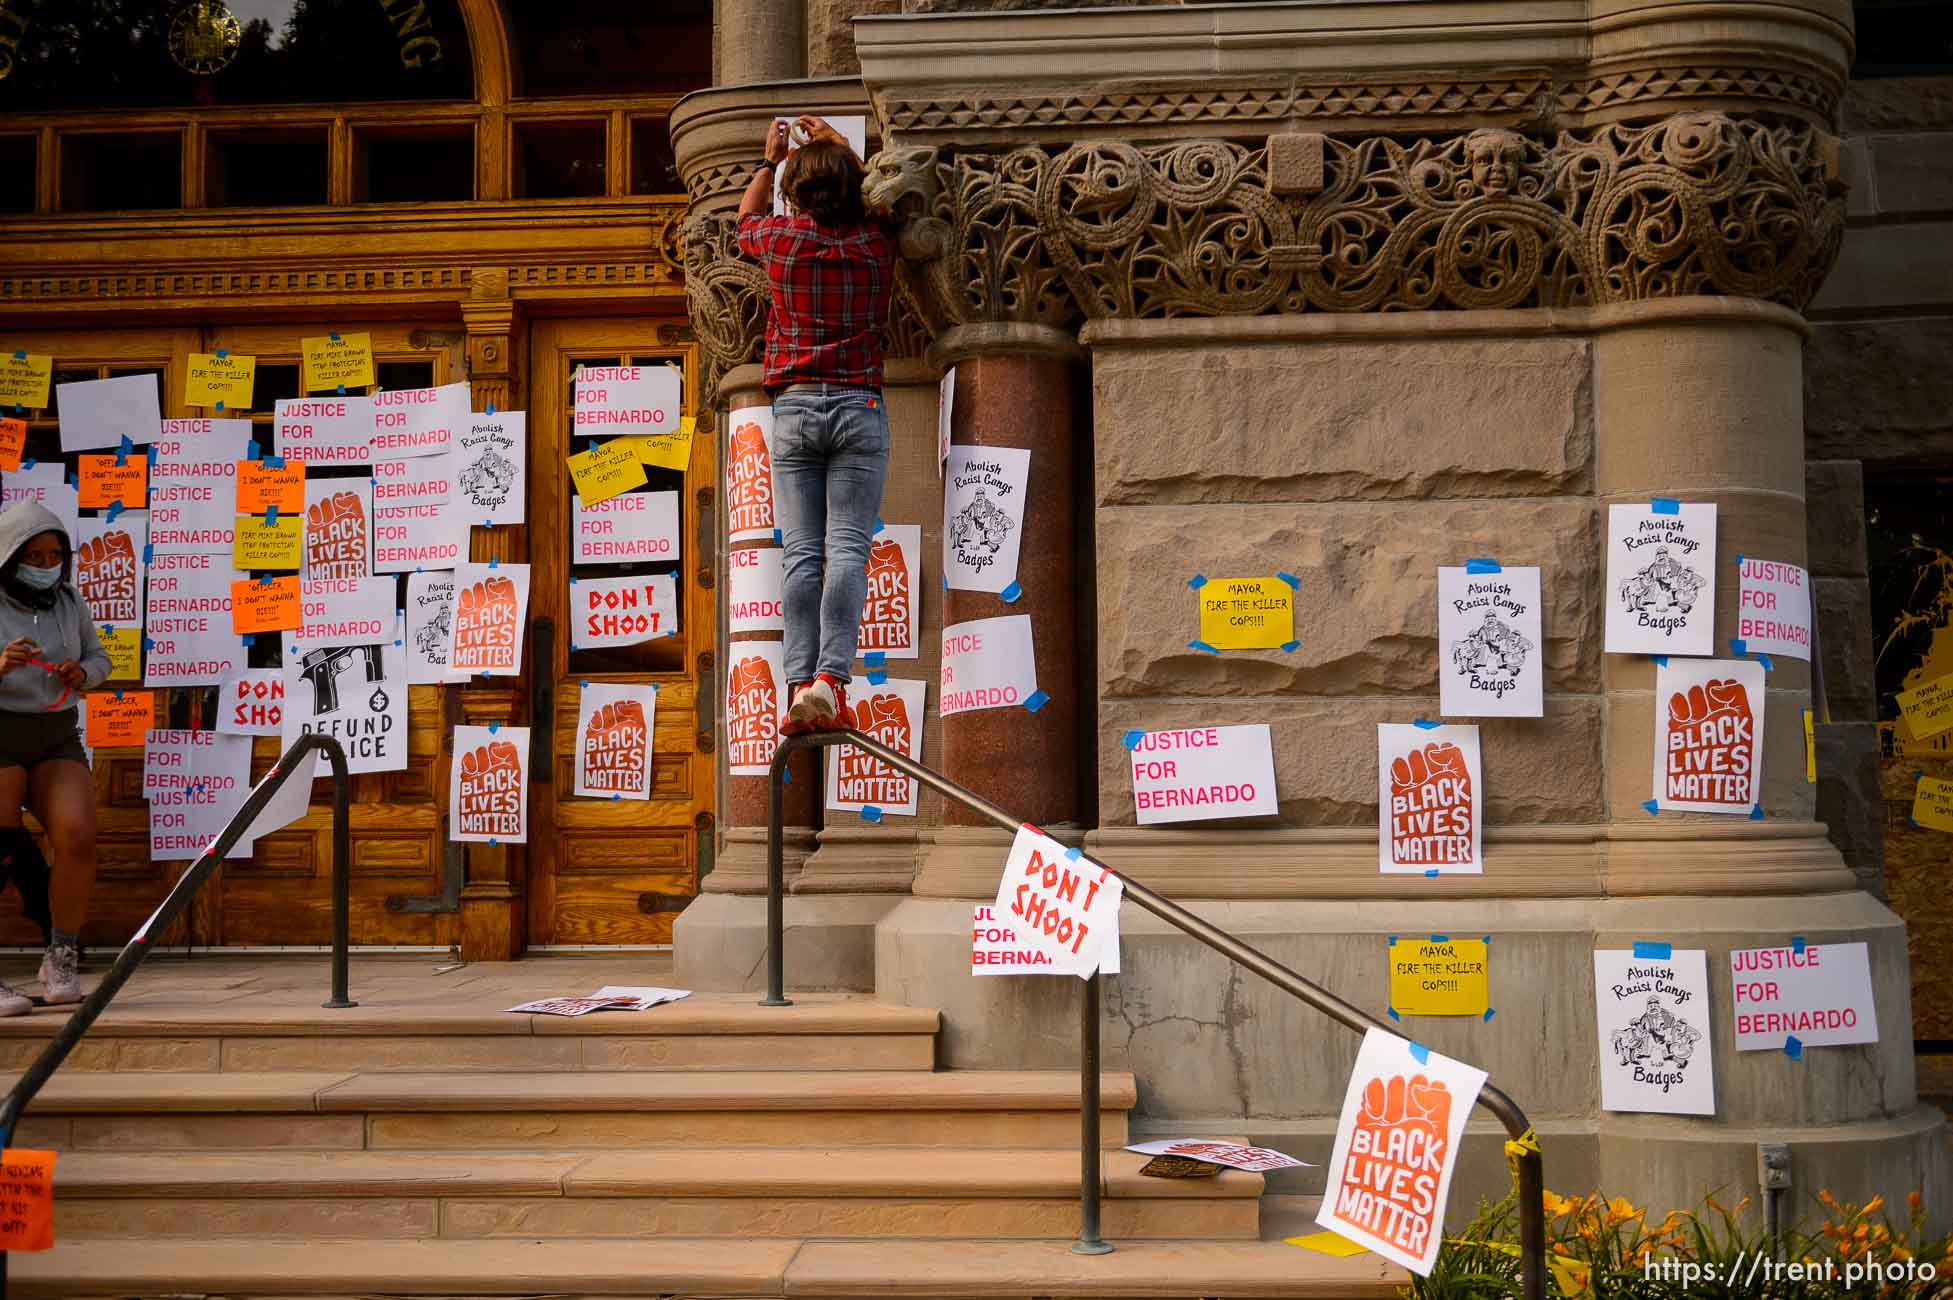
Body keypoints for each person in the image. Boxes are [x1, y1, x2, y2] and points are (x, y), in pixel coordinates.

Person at [735, 115, 897, 733]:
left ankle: (798, 684)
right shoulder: (875, 244)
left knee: (802, 553)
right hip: (860, 405)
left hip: (796, 406)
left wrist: (769, 160)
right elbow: (882, 204)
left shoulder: (781, 243)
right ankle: (831, 681)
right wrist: (840, 146)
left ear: (796, 196)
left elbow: (744, 224)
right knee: (849, 549)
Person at [0, 501, 110, 1013]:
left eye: (54, 556)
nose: (44, 565)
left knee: (78, 834)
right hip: (1, 728)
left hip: (55, 732)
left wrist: (81, 674)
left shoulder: (69, 601)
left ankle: (60, 955)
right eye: (33, 555)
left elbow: (100, 657)